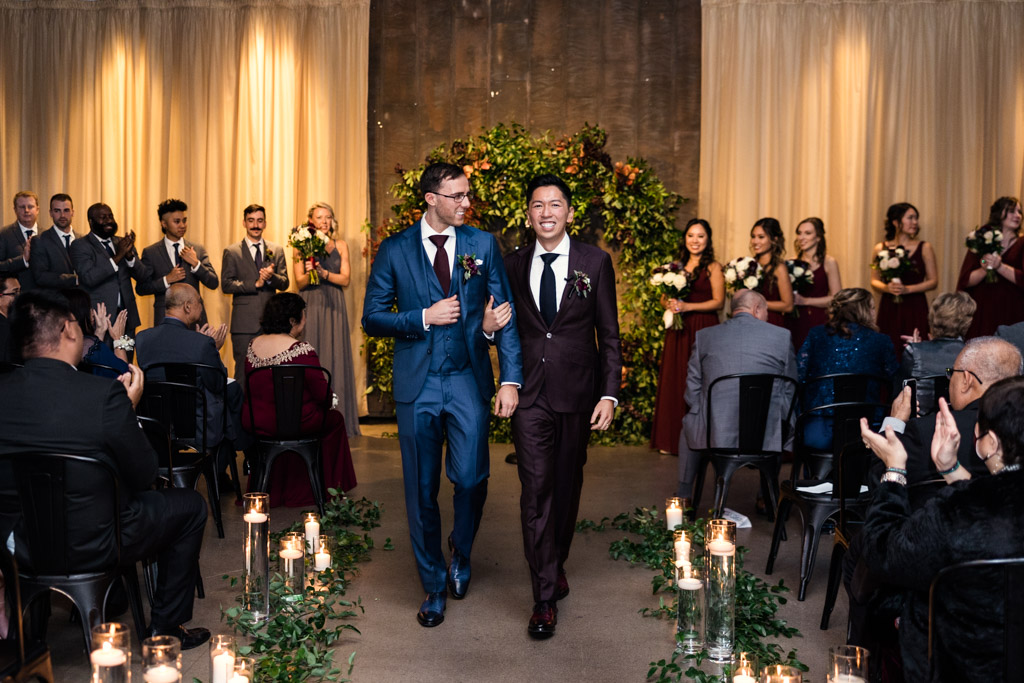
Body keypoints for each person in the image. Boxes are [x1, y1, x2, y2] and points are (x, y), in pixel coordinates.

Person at [0, 290, 210, 649]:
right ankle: (165, 629)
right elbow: (145, 474)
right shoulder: (101, 395)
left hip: (20, 547)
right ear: (68, 329)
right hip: (97, 542)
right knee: (190, 507)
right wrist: (128, 410)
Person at [362, 162, 523, 628]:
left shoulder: (481, 245)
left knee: (472, 478)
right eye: (456, 196)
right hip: (418, 385)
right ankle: (433, 584)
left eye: (467, 194)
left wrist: (509, 378)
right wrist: (423, 317)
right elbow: (372, 317)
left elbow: (502, 314)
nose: (465, 203)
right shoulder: (394, 251)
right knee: (421, 489)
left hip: (467, 378)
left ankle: (462, 550)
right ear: (431, 198)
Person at [499, 174, 621, 639]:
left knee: (566, 490)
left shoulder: (595, 261)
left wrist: (608, 393)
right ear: (528, 214)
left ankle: (556, 561)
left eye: (555, 205)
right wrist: (490, 327)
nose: (546, 212)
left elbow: (608, 335)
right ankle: (544, 596)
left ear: (569, 212)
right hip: (529, 395)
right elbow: (504, 326)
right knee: (536, 491)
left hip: (578, 393)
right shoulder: (512, 264)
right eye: (537, 205)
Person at [858, 376, 1024, 682]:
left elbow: (883, 554)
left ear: (991, 442)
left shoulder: (954, 511)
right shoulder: (970, 503)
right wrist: (950, 470)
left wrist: (894, 470)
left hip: (959, 666)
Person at [676, 290, 797, 499]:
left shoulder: (705, 336)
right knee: (783, 415)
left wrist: (703, 411)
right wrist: (777, 417)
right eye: (766, 311)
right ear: (757, 309)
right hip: (765, 433)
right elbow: (791, 386)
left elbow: (692, 385)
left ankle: (683, 495)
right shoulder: (782, 336)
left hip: (715, 431)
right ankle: (765, 496)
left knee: (691, 422)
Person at [242, 292, 356, 506]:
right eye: (303, 315)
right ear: (293, 320)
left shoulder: (252, 345)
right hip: (294, 424)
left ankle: (271, 486)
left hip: (258, 423)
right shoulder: (302, 350)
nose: (305, 319)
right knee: (335, 420)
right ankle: (328, 487)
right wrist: (330, 399)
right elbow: (322, 395)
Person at [135, 284, 243, 475]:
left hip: (159, 427)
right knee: (231, 396)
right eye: (199, 302)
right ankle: (222, 469)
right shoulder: (201, 344)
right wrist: (214, 351)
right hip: (198, 428)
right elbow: (217, 384)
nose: (201, 307)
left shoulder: (143, 339)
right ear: (187, 307)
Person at [650, 218, 724, 454]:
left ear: (708, 239)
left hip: (704, 328)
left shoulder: (713, 267)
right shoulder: (675, 266)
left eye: (700, 236)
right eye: (691, 235)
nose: (695, 240)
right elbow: (663, 297)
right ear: (685, 238)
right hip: (679, 331)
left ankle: (700, 439)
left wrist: (689, 307)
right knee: (676, 378)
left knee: (701, 382)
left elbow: (719, 302)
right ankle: (670, 439)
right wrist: (670, 302)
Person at [797, 288, 897, 450]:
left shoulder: (816, 335)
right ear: (863, 310)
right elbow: (894, 380)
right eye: (872, 307)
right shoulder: (881, 341)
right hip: (867, 429)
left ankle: (815, 474)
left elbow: (800, 375)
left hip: (817, 428)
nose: (874, 312)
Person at [291, 202, 360, 437]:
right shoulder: (300, 245)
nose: (324, 221)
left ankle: (338, 418)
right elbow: (299, 281)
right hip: (311, 302)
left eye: (328, 217)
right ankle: (308, 418)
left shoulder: (340, 245)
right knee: (312, 353)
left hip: (333, 304)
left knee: (335, 356)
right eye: (320, 217)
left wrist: (325, 273)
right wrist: (311, 273)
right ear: (311, 221)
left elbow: (346, 279)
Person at [221, 204, 289, 381]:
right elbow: (226, 285)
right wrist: (255, 283)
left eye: (259, 221)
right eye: (251, 221)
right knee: (243, 373)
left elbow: (284, 283)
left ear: (265, 223)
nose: (255, 225)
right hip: (243, 324)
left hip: (271, 322)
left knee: (270, 372)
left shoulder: (277, 250)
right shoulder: (232, 252)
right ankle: (240, 410)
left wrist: (270, 278)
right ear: (244, 223)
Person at [69, 203, 150, 344]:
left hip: (126, 320)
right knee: (103, 360)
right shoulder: (80, 245)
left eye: (110, 216)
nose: (108, 221)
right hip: (100, 321)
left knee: (125, 360)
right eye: (102, 217)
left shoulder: (122, 242)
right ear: (91, 222)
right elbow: (89, 278)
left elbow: (143, 276)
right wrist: (118, 256)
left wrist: (130, 257)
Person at [137, 199, 219, 326]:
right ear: (164, 224)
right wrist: (166, 280)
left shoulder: (197, 249)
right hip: (164, 320)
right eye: (177, 221)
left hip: (195, 320)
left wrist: (196, 264)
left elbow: (213, 283)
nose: (182, 225)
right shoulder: (151, 252)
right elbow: (141, 288)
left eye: (184, 220)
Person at [870, 202, 937, 357]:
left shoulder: (924, 247)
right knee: (889, 347)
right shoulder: (880, 248)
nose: (915, 222)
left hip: (915, 305)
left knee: (915, 349)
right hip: (890, 306)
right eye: (910, 218)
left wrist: (908, 289)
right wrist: (887, 288)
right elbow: (874, 280)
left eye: (916, 218)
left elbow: (933, 281)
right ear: (895, 222)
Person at [895, 292, 975, 415]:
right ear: (967, 323)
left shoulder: (914, 353)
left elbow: (898, 397)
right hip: (961, 427)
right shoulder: (974, 355)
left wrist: (917, 348)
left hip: (919, 428)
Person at [956, 196, 1024, 338]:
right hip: (984, 308)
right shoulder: (981, 240)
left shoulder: (1022, 242)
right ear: (999, 214)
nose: (1017, 215)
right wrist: (984, 268)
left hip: (1013, 308)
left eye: (1020, 212)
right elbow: (966, 280)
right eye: (1012, 211)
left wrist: (1000, 267)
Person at [789, 217, 841, 350]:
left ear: (818, 237)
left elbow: (837, 298)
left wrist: (805, 301)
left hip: (818, 320)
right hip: (794, 320)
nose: (801, 237)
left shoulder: (829, 262)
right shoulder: (791, 262)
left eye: (807, 233)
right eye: (799, 233)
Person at [65, 288, 129, 379]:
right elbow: (125, 375)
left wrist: (100, 331)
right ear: (82, 312)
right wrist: (118, 339)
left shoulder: (62, 345)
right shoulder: (92, 349)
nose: (92, 311)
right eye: (89, 307)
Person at [29, 193, 81, 291]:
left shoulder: (83, 239)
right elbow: (40, 277)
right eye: (57, 211)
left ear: (72, 212)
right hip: (55, 303)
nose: (62, 215)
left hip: (82, 301)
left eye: (66, 210)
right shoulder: (40, 241)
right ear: (50, 213)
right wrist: (75, 280)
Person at [749, 217, 793, 327]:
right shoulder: (750, 264)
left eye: (761, 237)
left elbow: (788, 306)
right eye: (753, 237)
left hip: (771, 322)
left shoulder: (779, 268)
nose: (755, 241)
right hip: (751, 322)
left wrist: (758, 303)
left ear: (774, 239)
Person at [0, 190, 39, 291]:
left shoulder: (47, 235)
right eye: (22, 207)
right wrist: (23, 260)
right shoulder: (4, 234)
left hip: (43, 298)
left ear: (37, 209)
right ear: (15, 210)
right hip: (17, 297)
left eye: (30, 207)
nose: (26, 210)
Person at [0, 276, 19, 362]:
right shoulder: (4, 328)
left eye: (19, 291)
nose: (19, 297)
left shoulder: (15, 320)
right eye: (14, 293)